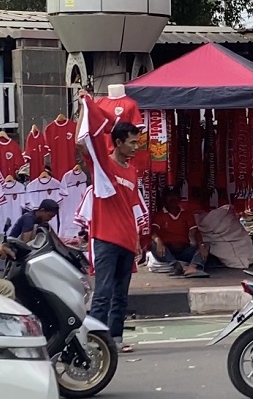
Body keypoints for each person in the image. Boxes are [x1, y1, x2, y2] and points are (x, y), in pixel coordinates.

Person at [76, 89, 142, 354]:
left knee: (121, 296)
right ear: (118, 142)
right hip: (105, 240)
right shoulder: (103, 166)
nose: (136, 147)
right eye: (133, 142)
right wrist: (85, 105)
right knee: (102, 294)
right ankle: (94, 340)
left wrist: (137, 241)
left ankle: (114, 338)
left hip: (127, 240)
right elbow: (83, 143)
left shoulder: (133, 170)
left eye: (138, 142)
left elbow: (131, 208)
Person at [150, 189, 209, 278]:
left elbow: (195, 232)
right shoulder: (159, 215)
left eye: (175, 195)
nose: (172, 198)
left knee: (206, 245)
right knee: (153, 244)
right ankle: (175, 265)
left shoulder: (186, 214)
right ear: (164, 199)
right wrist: (158, 240)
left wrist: (201, 245)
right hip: (166, 251)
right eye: (169, 196)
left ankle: (192, 268)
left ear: (179, 198)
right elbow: (153, 231)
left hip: (183, 251)